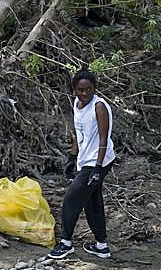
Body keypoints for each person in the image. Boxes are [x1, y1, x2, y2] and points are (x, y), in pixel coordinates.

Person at [47, 70, 116, 260]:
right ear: (74, 90)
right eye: (80, 90)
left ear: (94, 88)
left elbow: (104, 138)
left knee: (71, 199)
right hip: (85, 159)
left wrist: (97, 169)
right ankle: (101, 246)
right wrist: (72, 156)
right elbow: (77, 133)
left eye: (88, 89)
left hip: (99, 160)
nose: (84, 93)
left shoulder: (99, 106)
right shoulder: (77, 105)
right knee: (92, 201)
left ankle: (66, 243)